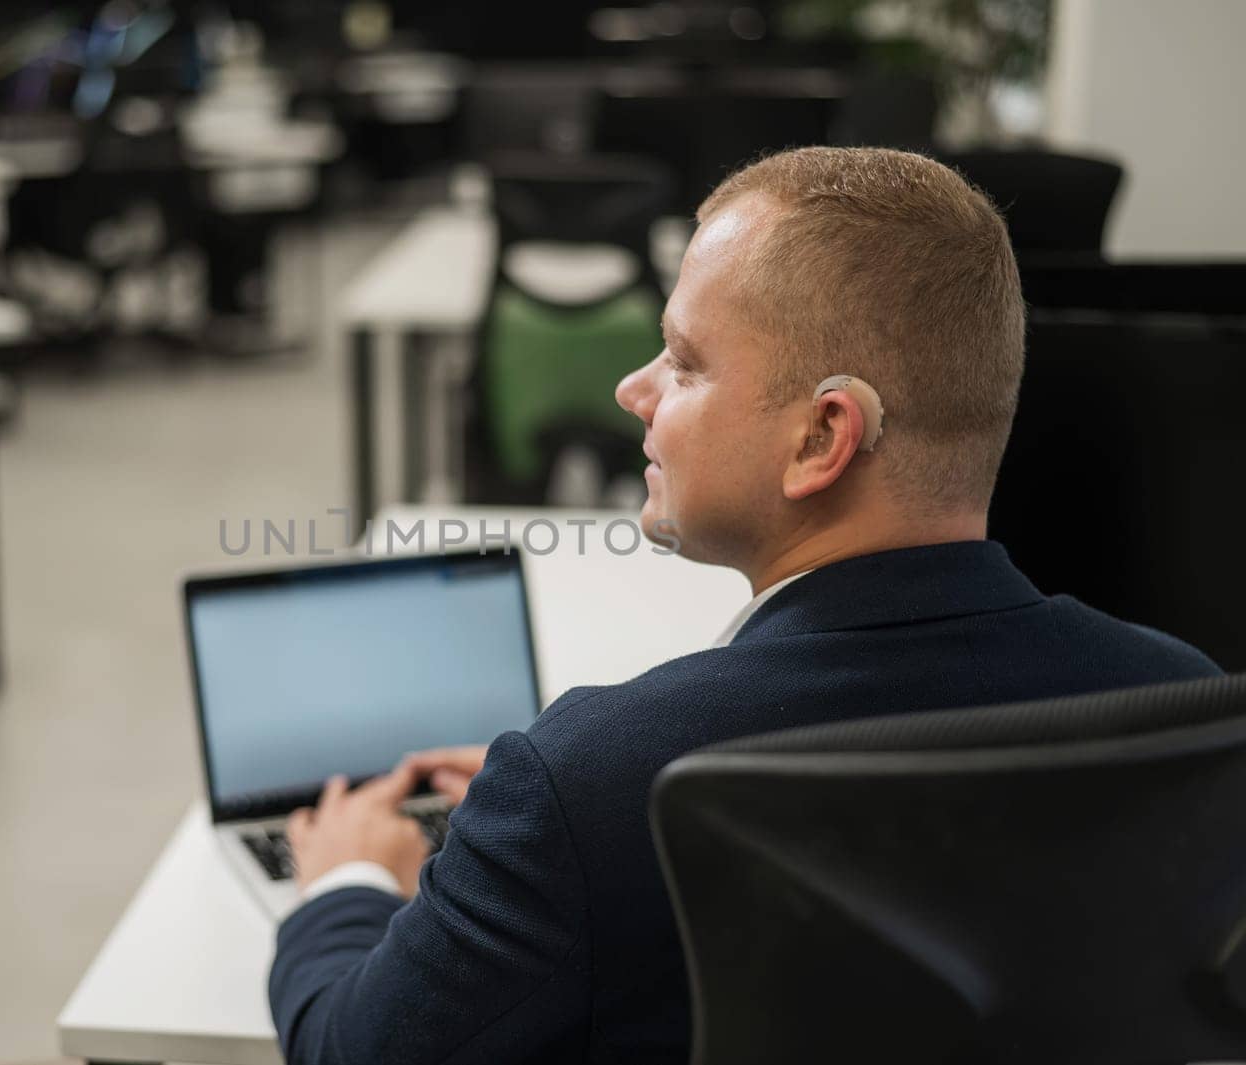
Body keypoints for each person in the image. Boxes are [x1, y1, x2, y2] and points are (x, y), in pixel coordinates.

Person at [269, 147, 1221, 1064]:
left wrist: (345, 882)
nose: (632, 388)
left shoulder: (590, 785)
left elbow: (355, 1047)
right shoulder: (1184, 714)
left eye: (683, 362)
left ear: (821, 438)